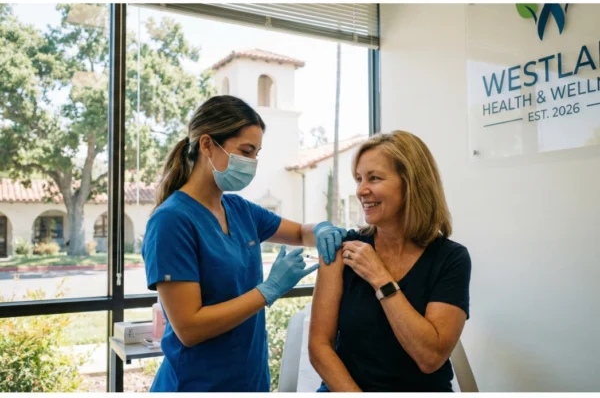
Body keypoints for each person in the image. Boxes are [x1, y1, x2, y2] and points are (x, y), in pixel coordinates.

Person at [141, 95, 346, 392]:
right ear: (207, 144)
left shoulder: (239, 209)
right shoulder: (172, 221)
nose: (252, 163)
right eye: (246, 151)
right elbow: (189, 328)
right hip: (197, 385)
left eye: (256, 154)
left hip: (249, 381)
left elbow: (301, 232)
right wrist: (269, 290)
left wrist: (324, 229)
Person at [308, 130, 472, 392]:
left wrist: (380, 277)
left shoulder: (451, 258)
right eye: (359, 179)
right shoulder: (342, 249)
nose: (361, 190)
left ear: (411, 184)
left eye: (374, 178)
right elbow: (319, 347)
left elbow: (430, 358)